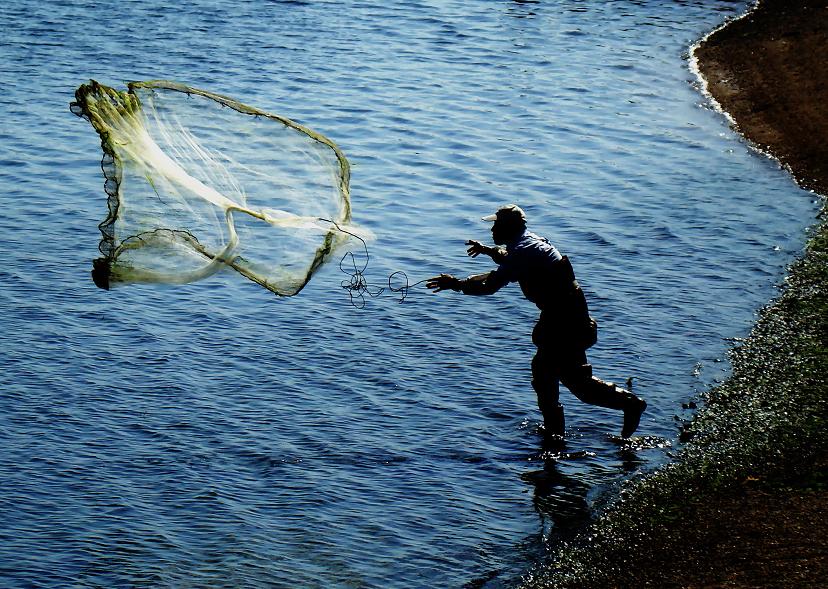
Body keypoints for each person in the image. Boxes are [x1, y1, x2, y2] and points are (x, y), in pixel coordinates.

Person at [426, 204, 646, 439]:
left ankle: (626, 406)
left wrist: (457, 285)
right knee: (547, 375)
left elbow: (490, 285)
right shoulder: (528, 242)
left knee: (576, 385)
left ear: (508, 227)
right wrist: (488, 251)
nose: (492, 230)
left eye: (496, 225)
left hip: (567, 325)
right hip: (564, 319)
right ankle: (555, 433)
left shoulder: (523, 250)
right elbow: (509, 259)